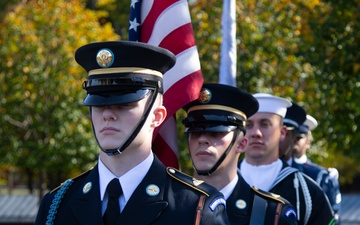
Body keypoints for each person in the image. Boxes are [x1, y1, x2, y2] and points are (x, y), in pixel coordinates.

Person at [34, 41, 229, 225]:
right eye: (98, 103)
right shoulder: (56, 205)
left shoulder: (195, 207)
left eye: (124, 103)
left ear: (157, 116)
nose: (108, 114)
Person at [182, 83, 297, 225]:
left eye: (216, 132)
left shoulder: (272, 214)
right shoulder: (169, 204)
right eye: (195, 131)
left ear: (242, 144)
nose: (203, 139)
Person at [239, 93, 335, 225]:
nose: (256, 133)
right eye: (249, 125)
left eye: (265, 124)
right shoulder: (222, 181)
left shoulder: (307, 191)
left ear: (282, 132)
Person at [293, 114, 342, 224]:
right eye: (289, 136)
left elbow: (332, 217)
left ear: (308, 142)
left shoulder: (322, 175)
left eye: (298, 138)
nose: (293, 141)